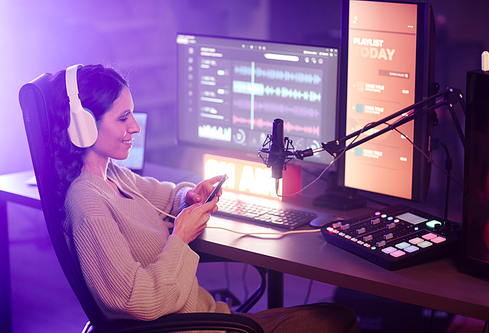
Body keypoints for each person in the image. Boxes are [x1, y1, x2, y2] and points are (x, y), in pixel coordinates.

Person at [47, 64, 361, 332]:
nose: (135, 127)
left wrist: (191, 196)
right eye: (123, 117)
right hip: (198, 328)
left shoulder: (113, 176)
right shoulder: (88, 203)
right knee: (339, 320)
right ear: (84, 126)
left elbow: (167, 200)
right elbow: (135, 302)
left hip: (208, 319)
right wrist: (180, 239)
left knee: (329, 316)